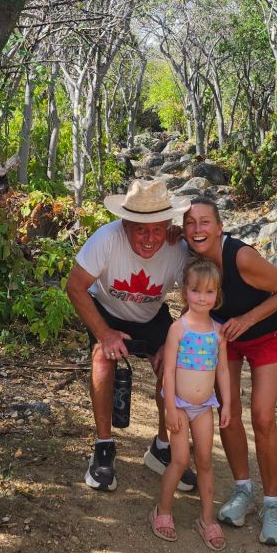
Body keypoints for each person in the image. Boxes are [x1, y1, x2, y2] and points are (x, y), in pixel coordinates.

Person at [66, 178, 196, 493]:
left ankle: (162, 447)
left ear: (168, 225)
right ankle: (103, 447)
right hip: (108, 311)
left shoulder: (177, 248)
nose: (149, 239)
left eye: (157, 229)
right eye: (141, 229)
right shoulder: (106, 239)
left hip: (152, 315)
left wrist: (173, 342)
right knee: (102, 358)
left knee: (173, 367)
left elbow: (196, 298)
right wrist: (104, 334)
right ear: (125, 224)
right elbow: (75, 286)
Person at [182, 197, 277, 545]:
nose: (197, 229)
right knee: (227, 411)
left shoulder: (241, 257)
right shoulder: (192, 255)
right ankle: (243, 489)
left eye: (205, 222)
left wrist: (247, 320)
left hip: (265, 335)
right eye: (190, 223)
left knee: (263, 416)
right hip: (225, 338)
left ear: (220, 227)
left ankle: (272, 504)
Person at [150, 258, 231, 550]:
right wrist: (171, 408)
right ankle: (162, 511)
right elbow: (169, 371)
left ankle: (207, 519)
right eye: (196, 291)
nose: (202, 297)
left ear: (217, 295)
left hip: (204, 406)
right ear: (185, 292)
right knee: (181, 459)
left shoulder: (218, 333)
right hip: (181, 406)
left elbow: (223, 371)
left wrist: (227, 405)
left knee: (206, 461)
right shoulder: (178, 329)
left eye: (209, 291)